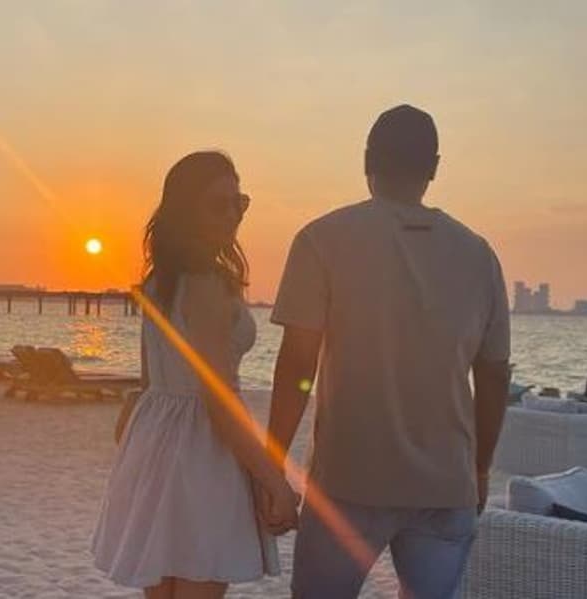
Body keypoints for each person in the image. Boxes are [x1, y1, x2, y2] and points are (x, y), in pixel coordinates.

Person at [262, 105, 511, 598]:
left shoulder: (322, 240)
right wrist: (479, 469)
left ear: (366, 160)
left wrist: (273, 464)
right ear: (434, 168)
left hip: (348, 481)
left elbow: (296, 366)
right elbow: (494, 376)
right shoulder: (479, 255)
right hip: (446, 485)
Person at [92, 151, 296, 599]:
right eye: (218, 205)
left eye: (238, 203)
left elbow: (148, 381)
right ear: (186, 211)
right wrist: (273, 479)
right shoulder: (206, 284)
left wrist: (136, 448)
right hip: (202, 450)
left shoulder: (159, 282)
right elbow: (219, 399)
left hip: (154, 440)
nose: (232, 215)